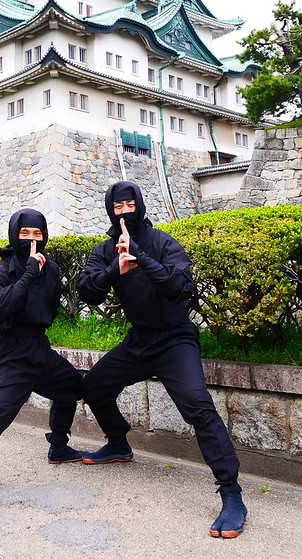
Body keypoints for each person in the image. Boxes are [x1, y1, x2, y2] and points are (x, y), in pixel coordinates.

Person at [78, 181, 247, 539]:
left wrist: (140, 256)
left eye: (130, 205)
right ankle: (118, 443)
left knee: (199, 408)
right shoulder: (105, 250)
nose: (125, 212)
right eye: (117, 207)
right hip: (138, 340)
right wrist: (115, 269)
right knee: (92, 386)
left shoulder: (163, 242)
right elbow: (87, 292)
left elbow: (181, 286)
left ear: (140, 205)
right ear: (110, 210)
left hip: (174, 340)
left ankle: (231, 493)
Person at [0, 208, 85, 533]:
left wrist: (21, 319)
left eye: (38, 234)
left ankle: (59, 445)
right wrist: (26, 278)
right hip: (12, 357)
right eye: (25, 234)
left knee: (72, 388)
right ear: (14, 235)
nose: (32, 240)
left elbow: (49, 306)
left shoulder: (51, 269)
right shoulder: (0, 272)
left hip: (40, 348)